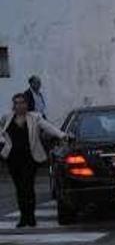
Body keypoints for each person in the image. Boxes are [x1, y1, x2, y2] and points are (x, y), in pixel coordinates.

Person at [0, 93, 66, 228]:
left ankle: (31, 217)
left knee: (28, 185)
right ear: (14, 105)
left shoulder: (35, 117)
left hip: (30, 158)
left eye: (22, 102)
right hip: (12, 158)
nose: (20, 105)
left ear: (26, 104)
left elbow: (48, 127)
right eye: (17, 103)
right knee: (19, 188)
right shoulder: (7, 118)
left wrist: (62, 135)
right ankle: (23, 217)